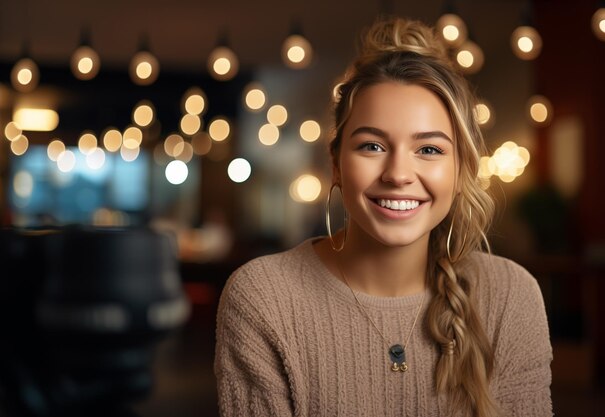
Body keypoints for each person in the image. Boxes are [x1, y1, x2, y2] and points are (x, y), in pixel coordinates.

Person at [214, 16, 552, 417]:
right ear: (336, 165)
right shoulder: (263, 298)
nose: (398, 174)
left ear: (461, 171)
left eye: (429, 150)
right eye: (372, 146)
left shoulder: (511, 297)